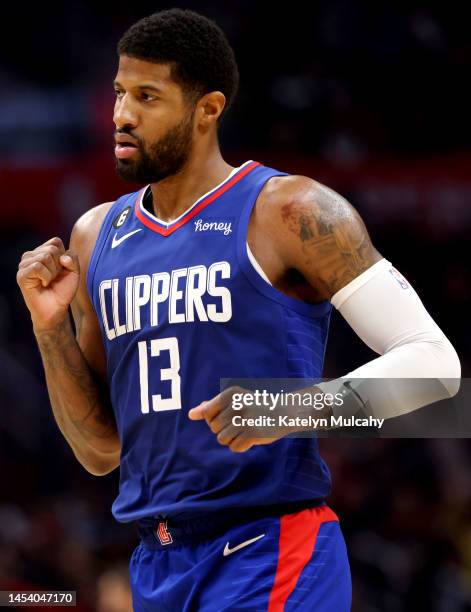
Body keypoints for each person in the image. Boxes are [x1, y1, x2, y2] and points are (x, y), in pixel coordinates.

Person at [16, 8, 460, 611]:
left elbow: (436, 366)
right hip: (156, 563)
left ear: (208, 108)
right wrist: (50, 330)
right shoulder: (97, 235)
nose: (121, 115)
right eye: (120, 92)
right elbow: (100, 452)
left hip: (271, 547)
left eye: (148, 96)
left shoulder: (291, 211)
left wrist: (295, 409)